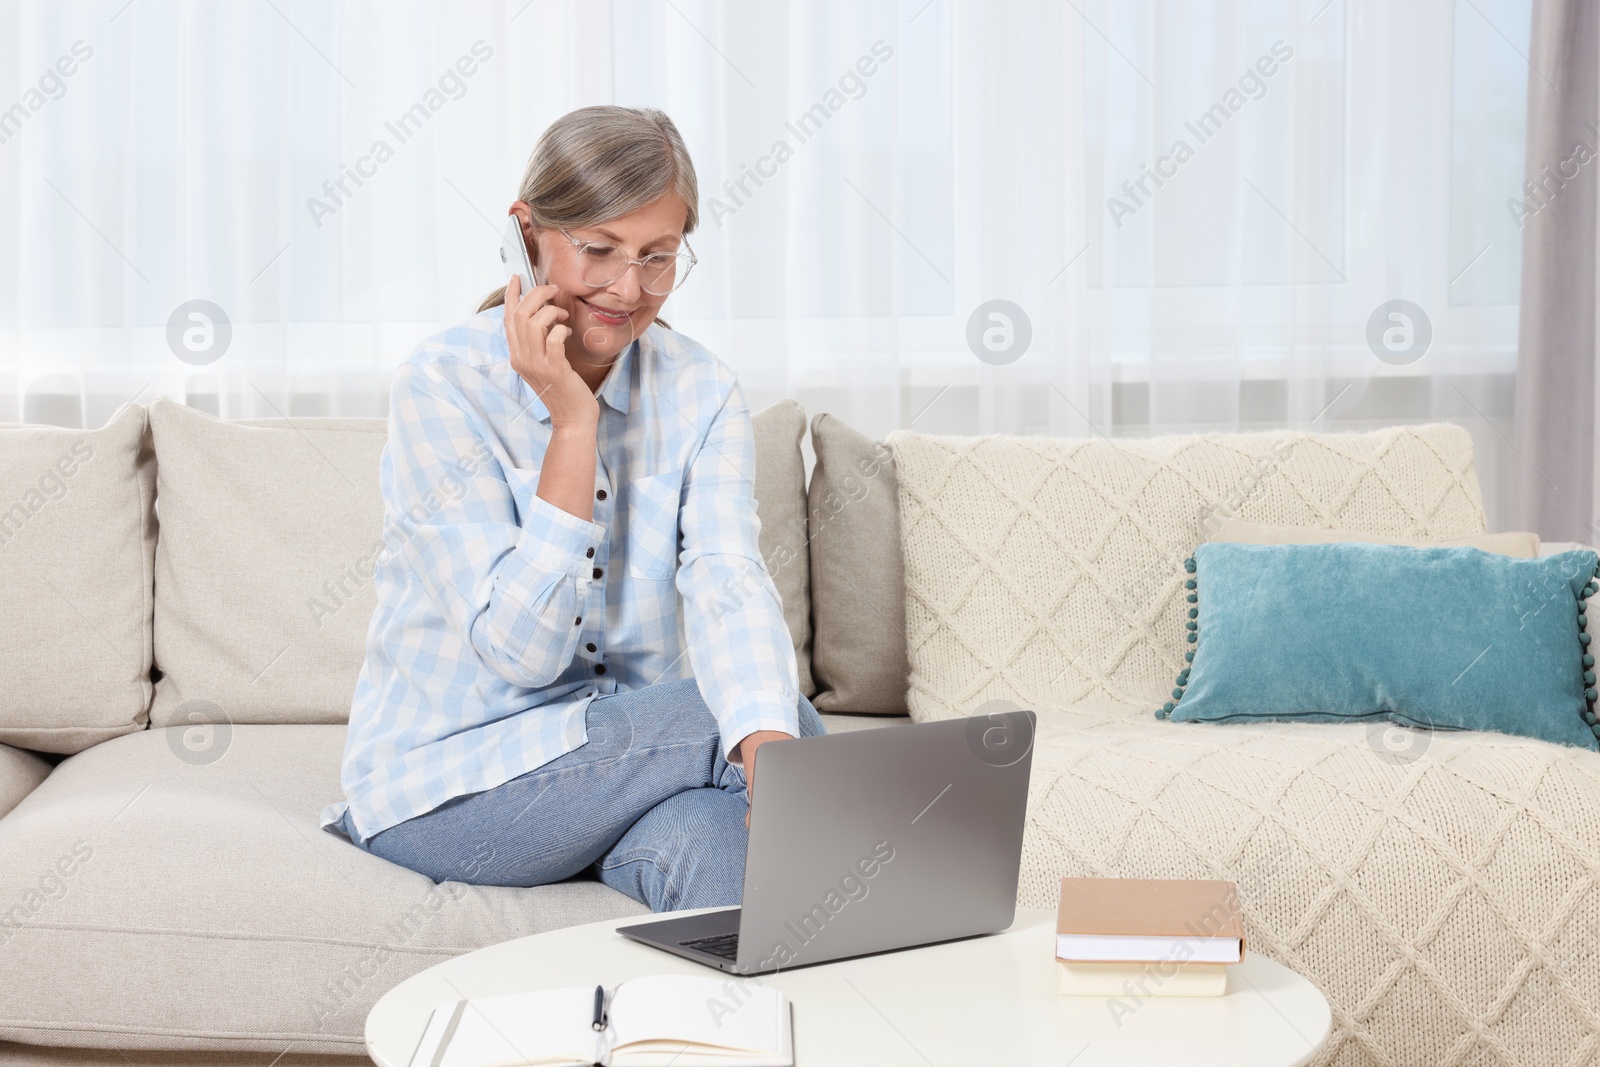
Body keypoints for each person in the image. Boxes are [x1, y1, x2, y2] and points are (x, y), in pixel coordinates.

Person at [319, 105, 825, 911]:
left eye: (658, 258)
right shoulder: (442, 385)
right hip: (448, 789)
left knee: (725, 851)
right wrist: (573, 423)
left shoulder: (701, 390)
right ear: (526, 233)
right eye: (599, 250)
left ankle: (762, 1035)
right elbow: (520, 651)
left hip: (621, 778)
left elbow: (730, 579)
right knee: (765, 719)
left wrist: (768, 767)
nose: (629, 290)